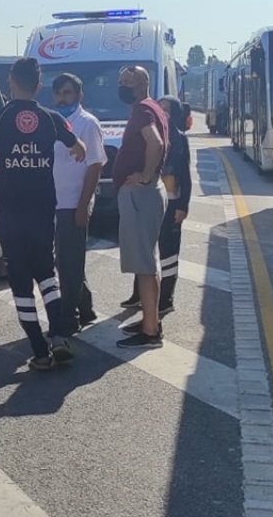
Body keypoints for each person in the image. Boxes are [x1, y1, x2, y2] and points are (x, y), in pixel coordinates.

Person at [0, 57, 86, 370]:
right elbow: (79, 147)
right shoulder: (51, 118)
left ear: (11, 83)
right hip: (44, 208)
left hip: (11, 211)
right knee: (47, 272)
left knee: (19, 279)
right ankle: (58, 336)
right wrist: (74, 154)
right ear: (39, 86)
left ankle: (39, 352)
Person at [120, 95, 192, 332]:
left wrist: (183, 205)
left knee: (164, 255)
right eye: (161, 109)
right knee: (146, 254)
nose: (162, 113)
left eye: (167, 110)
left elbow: (185, 175)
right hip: (154, 197)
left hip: (167, 201)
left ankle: (164, 302)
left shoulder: (178, 138)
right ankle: (141, 302)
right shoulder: (158, 132)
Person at [110, 66, 169, 349]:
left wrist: (144, 176)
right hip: (149, 194)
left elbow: (155, 144)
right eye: (121, 81)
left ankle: (150, 331)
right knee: (149, 260)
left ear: (142, 84)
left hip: (140, 195)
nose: (122, 86)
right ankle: (150, 320)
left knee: (144, 265)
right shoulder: (153, 107)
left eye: (127, 82)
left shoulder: (142, 111)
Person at [49, 73, 107, 328]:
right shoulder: (54, 121)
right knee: (66, 260)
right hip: (54, 202)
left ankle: (69, 318)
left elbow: (95, 167)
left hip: (74, 203)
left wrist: (83, 206)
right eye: (59, 93)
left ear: (79, 95)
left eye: (68, 93)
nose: (63, 98)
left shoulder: (87, 123)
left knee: (69, 262)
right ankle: (85, 308)